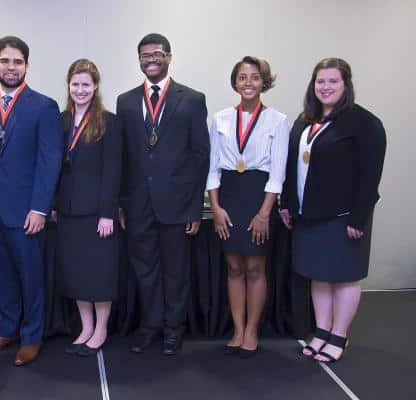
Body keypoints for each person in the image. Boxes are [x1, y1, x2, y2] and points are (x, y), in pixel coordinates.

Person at [0, 36, 62, 366]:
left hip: (25, 212)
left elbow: (50, 162)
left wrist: (39, 207)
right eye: (5, 61)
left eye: (17, 61)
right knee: (0, 273)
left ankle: (31, 336)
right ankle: (7, 329)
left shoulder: (44, 106)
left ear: (27, 66)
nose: (10, 67)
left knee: (31, 276)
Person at [280, 58, 386, 363]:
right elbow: (292, 167)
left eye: (332, 81)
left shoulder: (364, 124)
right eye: (320, 81)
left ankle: (340, 335)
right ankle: (322, 332)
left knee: (344, 276)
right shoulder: (305, 121)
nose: (325, 87)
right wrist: (287, 204)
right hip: (307, 215)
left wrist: (359, 216)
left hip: (343, 218)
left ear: (346, 85)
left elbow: (370, 175)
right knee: (319, 275)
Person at [116, 33, 210, 355]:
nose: (151, 59)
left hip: (178, 204)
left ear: (169, 57)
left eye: (157, 54)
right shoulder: (125, 101)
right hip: (138, 203)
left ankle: (173, 329)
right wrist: (122, 204)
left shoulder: (192, 99)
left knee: (175, 272)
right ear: (139, 60)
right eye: (145, 55)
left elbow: (201, 156)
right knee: (145, 270)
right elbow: (124, 158)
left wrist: (196, 209)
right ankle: (150, 326)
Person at [207, 56, 289, 357]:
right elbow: (212, 168)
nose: (248, 83)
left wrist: (265, 213)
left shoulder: (277, 121)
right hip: (228, 196)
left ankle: (252, 330)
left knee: (254, 266)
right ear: (235, 82)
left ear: (264, 82)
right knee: (233, 266)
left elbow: (277, 173)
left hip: (259, 197)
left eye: (254, 77)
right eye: (242, 77)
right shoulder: (220, 119)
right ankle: (237, 329)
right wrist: (215, 208)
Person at [54, 59, 122, 356]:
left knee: (99, 273)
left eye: (86, 84)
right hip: (68, 211)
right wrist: (54, 205)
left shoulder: (109, 121)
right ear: (68, 86)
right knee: (76, 272)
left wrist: (108, 212)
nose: (80, 90)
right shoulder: (59, 120)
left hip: (97, 213)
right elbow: (52, 168)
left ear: (95, 87)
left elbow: (113, 170)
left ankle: (102, 328)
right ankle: (85, 327)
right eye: (75, 84)